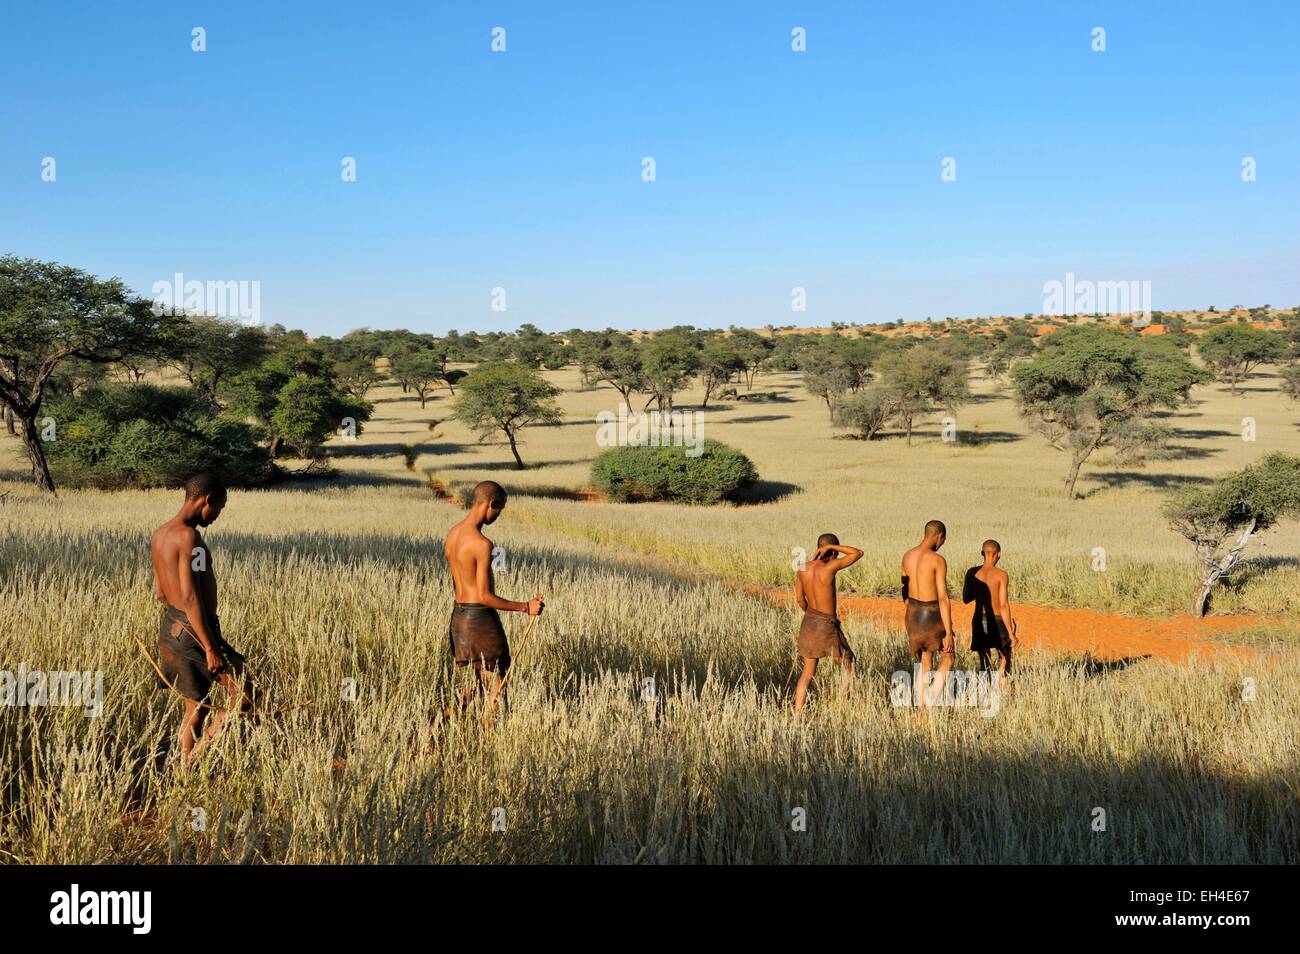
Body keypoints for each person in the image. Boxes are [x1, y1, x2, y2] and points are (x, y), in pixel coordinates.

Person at [149, 473, 253, 766]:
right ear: (206, 500)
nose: (217, 515)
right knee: (245, 694)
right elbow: (191, 596)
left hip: (172, 628)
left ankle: (184, 770)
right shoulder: (190, 538)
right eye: (218, 508)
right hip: (196, 631)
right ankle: (197, 758)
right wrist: (209, 647)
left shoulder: (159, 534)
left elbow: (160, 592)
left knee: (197, 705)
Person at [443, 480, 543, 715]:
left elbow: (460, 586)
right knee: (498, 686)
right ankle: (488, 740)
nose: (498, 514)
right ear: (491, 503)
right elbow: (483, 596)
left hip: (459, 619)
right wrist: (525, 607)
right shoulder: (482, 544)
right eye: (499, 509)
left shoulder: (453, 534)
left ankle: (436, 726)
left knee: (476, 684)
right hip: (481, 622)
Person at [792, 534, 862, 714]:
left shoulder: (802, 569)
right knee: (847, 663)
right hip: (826, 624)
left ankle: (797, 715)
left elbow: (800, 599)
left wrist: (811, 614)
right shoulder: (830, 567)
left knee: (807, 673)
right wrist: (834, 547)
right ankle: (844, 705)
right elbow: (857, 553)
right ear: (831, 551)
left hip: (808, 622)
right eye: (835, 552)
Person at [900, 519, 955, 708]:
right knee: (948, 657)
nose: (941, 545)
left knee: (925, 660)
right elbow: (943, 598)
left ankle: (921, 709)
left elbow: (904, 590)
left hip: (913, 614)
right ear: (939, 536)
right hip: (931, 613)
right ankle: (930, 699)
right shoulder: (937, 560)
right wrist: (948, 632)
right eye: (943, 541)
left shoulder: (907, 556)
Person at [963, 539, 1018, 688]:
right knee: (1004, 656)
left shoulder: (972, 573)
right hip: (998, 620)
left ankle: (986, 690)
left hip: (979, 619)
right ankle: (1001, 686)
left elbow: (966, 599)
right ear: (999, 554)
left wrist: (981, 593)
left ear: (982, 553)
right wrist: (1011, 633)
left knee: (984, 659)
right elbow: (1003, 605)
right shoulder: (1001, 575)